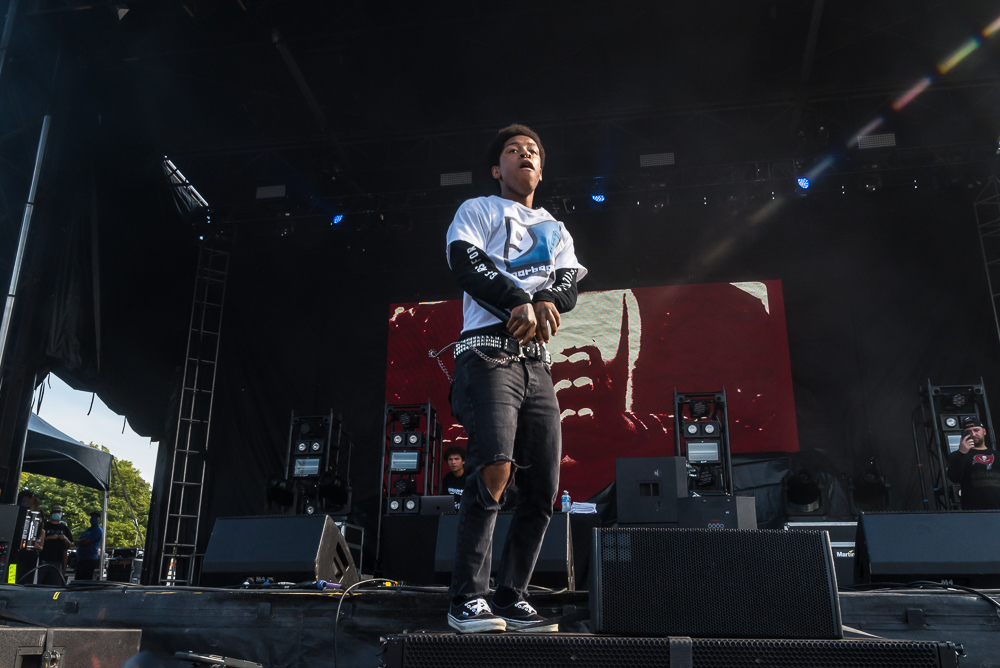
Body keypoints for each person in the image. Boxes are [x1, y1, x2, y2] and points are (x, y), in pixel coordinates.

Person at [444, 124, 586, 633]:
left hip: (536, 365)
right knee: (494, 467)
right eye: (513, 150)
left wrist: (545, 299)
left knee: (543, 484)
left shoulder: (556, 228)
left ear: (541, 171)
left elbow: (568, 281)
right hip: (487, 354)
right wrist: (517, 300)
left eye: (533, 152)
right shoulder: (478, 210)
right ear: (496, 169)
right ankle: (467, 599)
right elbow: (465, 260)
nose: (525, 154)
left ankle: (510, 596)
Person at [947, 416, 1000, 509]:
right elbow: (954, 478)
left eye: (976, 430)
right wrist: (961, 453)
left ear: (984, 431)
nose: (973, 434)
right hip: (974, 509)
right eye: (968, 432)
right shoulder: (957, 455)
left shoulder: (997, 455)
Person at [39, 506, 73, 584]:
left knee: (54, 583)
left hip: (57, 560)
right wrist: (49, 537)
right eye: (54, 512)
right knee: (39, 580)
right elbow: (38, 540)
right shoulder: (45, 526)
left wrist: (65, 539)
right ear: (51, 514)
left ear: (61, 514)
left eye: (58, 512)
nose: (56, 514)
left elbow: (68, 546)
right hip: (43, 559)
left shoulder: (64, 528)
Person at [74, 511, 104, 581]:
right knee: (78, 581)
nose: (93, 518)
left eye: (95, 517)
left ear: (99, 519)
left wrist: (83, 542)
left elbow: (85, 541)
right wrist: (83, 542)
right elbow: (77, 541)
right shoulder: (88, 530)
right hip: (81, 559)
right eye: (92, 517)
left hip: (90, 559)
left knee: (86, 580)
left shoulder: (98, 530)